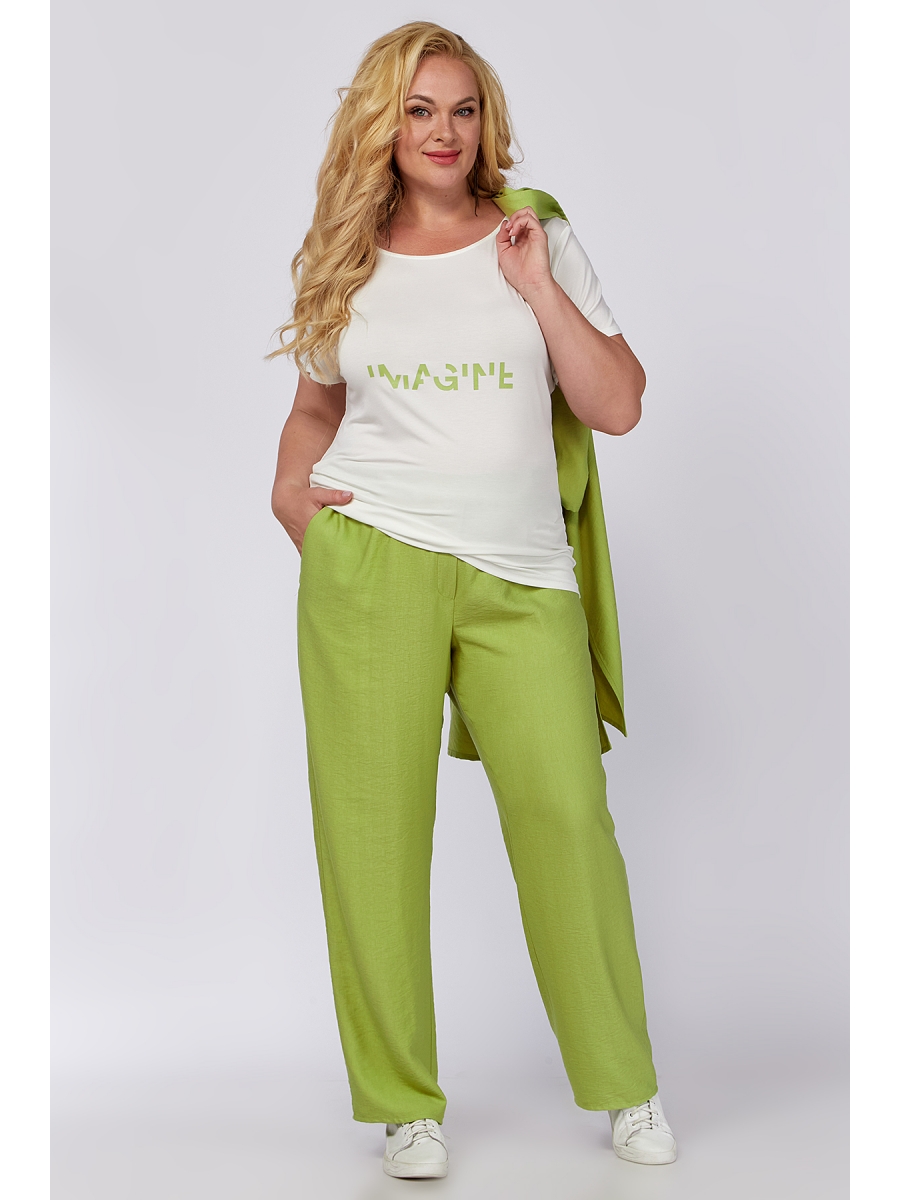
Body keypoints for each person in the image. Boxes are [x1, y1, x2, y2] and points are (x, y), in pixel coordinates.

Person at [267, 21, 677, 1181]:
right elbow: (314, 406)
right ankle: (405, 1104)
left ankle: (627, 1085)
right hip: (373, 564)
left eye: (461, 108)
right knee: (372, 837)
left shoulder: (533, 230)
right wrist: (293, 496)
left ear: (485, 120)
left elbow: (617, 405)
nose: (442, 132)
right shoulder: (343, 254)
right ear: (382, 125)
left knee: (568, 822)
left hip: (521, 575)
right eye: (417, 110)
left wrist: (536, 287)